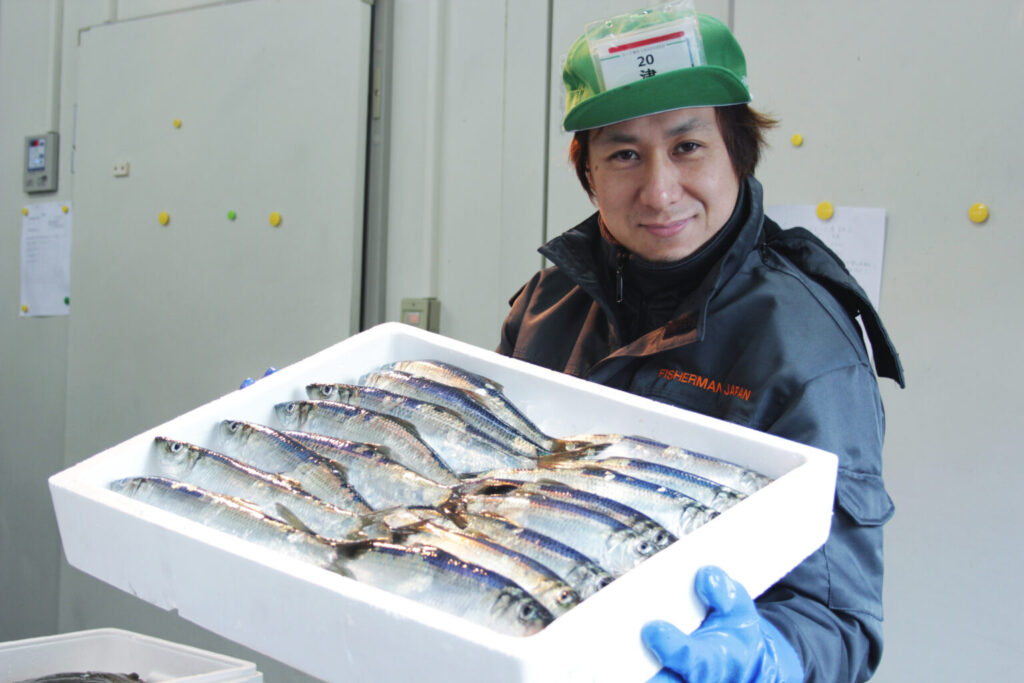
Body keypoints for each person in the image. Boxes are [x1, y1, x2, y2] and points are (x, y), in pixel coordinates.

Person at [498, 8, 904, 683]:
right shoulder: (544, 306)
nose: (659, 191)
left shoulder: (805, 348)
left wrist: (767, 658)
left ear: (737, 155)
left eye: (688, 146)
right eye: (624, 153)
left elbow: (841, 622)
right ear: (589, 173)